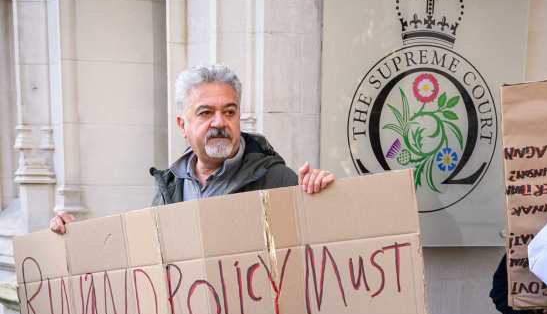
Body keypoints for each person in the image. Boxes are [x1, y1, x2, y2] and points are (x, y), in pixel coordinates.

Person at [50, 63, 334, 233]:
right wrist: (77, 238)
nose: (219, 122)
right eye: (205, 113)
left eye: (230, 111)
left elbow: (316, 251)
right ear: (182, 125)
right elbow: (142, 257)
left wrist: (319, 199)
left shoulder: (278, 181)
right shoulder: (170, 188)